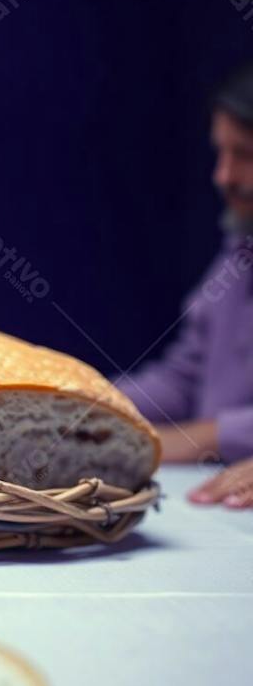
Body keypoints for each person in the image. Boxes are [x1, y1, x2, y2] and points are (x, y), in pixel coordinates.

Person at [119, 63, 253, 464]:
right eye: (221, 153)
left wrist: (210, 437)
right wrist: (82, 402)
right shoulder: (240, 249)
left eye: (245, 155)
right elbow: (184, 378)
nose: (223, 176)